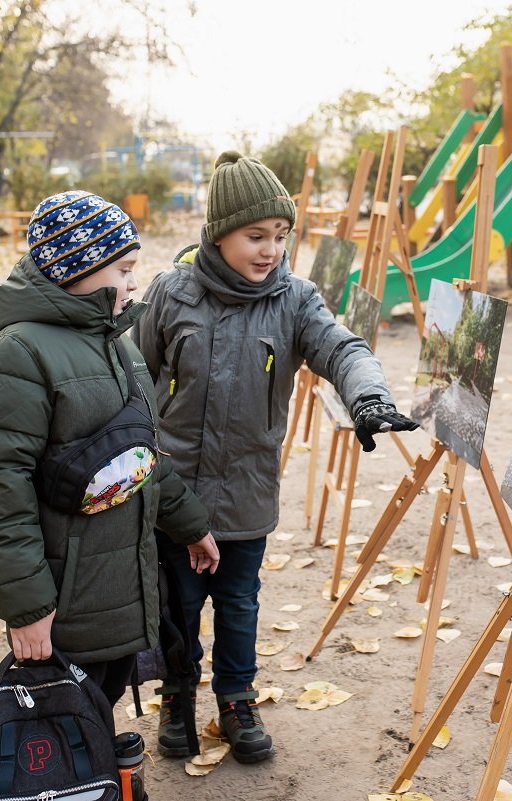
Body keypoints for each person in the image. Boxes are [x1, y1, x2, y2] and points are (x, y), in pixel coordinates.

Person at [133, 151, 418, 763]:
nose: (270, 250)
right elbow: (134, 376)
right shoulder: (170, 293)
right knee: (177, 604)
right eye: (255, 236)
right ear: (218, 234)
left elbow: (341, 348)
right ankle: (177, 694)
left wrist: (368, 398)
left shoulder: (294, 298)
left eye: (281, 237)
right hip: (174, 492)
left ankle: (236, 698)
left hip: (247, 491)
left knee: (239, 603)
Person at [0, 190, 220, 706]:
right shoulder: (18, 353)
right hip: (65, 596)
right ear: (77, 266)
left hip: (119, 585)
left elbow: (139, 453)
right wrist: (28, 607)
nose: (133, 282)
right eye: (123, 270)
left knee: (100, 710)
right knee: (70, 717)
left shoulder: (112, 340)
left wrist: (190, 525)